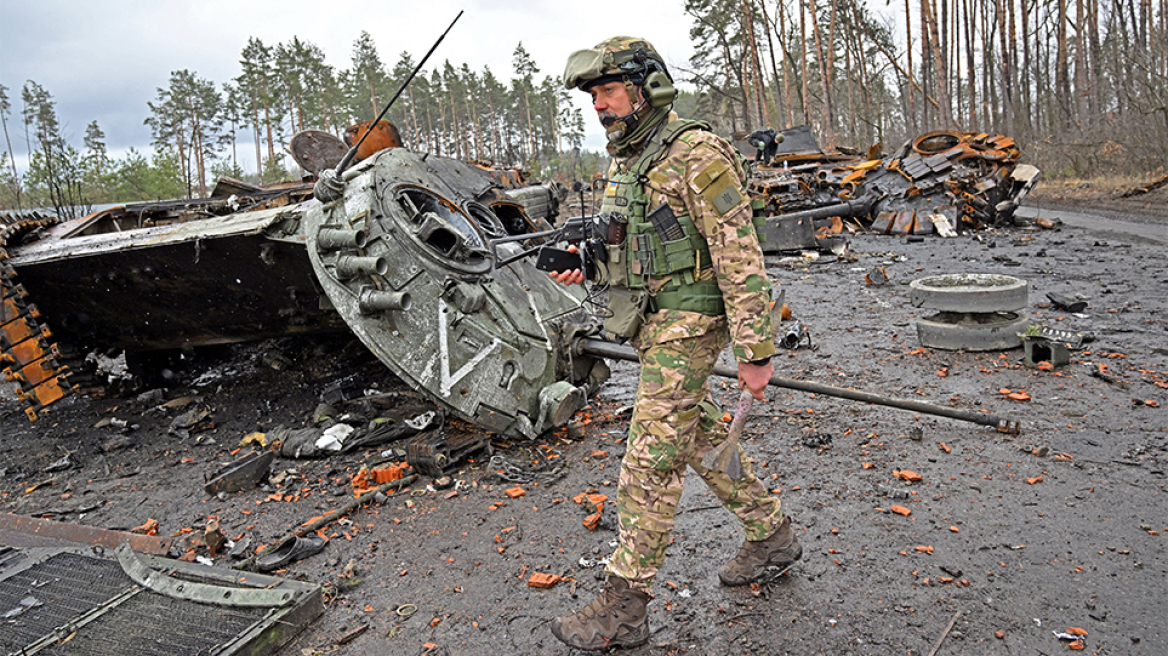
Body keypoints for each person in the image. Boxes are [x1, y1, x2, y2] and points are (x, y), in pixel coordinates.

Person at [549, 36, 802, 651]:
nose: (599, 105)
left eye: (608, 91)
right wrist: (588, 260)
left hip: (690, 321)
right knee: (695, 432)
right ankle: (771, 535)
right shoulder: (629, 158)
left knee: (650, 457)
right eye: (593, 95)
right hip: (652, 320)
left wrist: (756, 351)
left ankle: (623, 606)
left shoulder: (696, 152)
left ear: (645, 87)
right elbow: (639, 244)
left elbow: (740, 255)